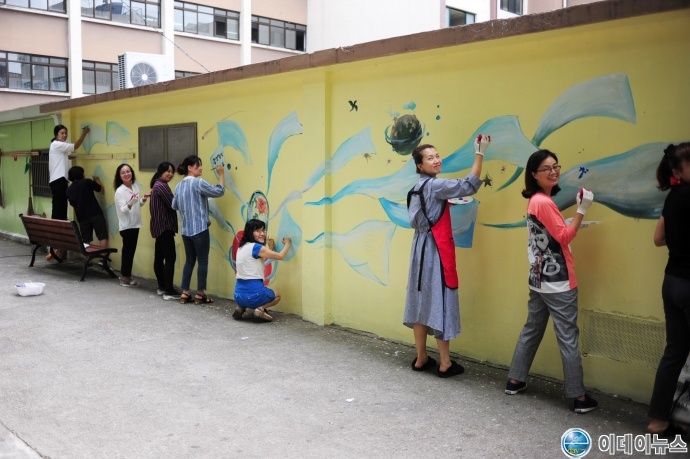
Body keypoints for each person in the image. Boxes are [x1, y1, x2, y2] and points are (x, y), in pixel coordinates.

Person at [504, 149, 598, 414]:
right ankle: (578, 397)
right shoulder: (544, 202)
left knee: (532, 328)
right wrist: (582, 210)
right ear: (534, 174)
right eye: (546, 168)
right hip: (558, 281)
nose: (553, 171)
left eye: (556, 166)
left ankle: (515, 380)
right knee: (567, 336)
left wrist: (567, 222)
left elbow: (548, 235)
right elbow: (564, 237)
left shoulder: (535, 201)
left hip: (539, 278)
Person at [404, 135, 490, 378]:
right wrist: (480, 153)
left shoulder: (415, 189)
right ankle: (445, 363)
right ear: (420, 165)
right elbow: (470, 185)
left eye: (437, 156)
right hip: (435, 249)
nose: (436, 160)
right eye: (430, 158)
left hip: (418, 249)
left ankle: (421, 357)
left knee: (419, 301)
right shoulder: (436, 186)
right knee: (441, 299)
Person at [647, 143, 690, 437]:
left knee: (674, 353)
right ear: (677, 171)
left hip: (672, 282)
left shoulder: (673, 197)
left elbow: (658, 238)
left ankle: (658, 421)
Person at [172, 155, 225, 305]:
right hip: (200, 228)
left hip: (186, 230)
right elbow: (219, 192)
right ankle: (200, 294)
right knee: (202, 261)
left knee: (189, 261)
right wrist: (221, 175)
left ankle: (185, 292)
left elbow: (174, 205)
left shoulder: (178, 186)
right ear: (190, 168)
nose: (201, 168)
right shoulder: (198, 182)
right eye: (198, 165)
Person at [233, 219, 292, 322]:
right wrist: (287, 243)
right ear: (250, 233)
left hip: (238, 295)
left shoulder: (242, 247)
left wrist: (270, 249)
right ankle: (260, 309)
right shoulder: (256, 247)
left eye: (263, 230)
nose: (262, 234)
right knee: (277, 295)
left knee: (248, 295)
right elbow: (281, 256)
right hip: (254, 296)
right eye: (258, 231)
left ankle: (241, 307)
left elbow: (257, 261)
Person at [47, 124, 90, 260]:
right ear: (56, 134)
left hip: (58, 182)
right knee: (59, 214)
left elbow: (67, 156)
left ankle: (57, 249)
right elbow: (75, 146)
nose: (64, 135)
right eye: (62, 133)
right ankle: (55, 247)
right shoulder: (57, 144)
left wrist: (73, 156)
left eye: (65, 133)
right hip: (59, 182)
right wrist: (85, 133)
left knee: (60, 212)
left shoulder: (58, 147)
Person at [149, 162, 181, 301]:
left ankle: (162, 286)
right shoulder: (161, 186)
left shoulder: (157, 185)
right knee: (170, 258)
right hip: (164, 227)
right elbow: (173, 204)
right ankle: (168, 290)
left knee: (159, 258)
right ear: (160, 171)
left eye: (172, 172)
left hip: (159, 227)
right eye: (168, 171)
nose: (170, 174)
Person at [114, 163, 147, 287]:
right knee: (128, 252)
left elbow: (137, 204)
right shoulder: (120, 191)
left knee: (130, 251)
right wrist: (131, 203)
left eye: (128, 171)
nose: (126, 174)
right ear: (119, 176)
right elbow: (123, 210)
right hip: (127, 226)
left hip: (135, 224)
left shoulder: (135, 187)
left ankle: (126, 276)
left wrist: (142, 200)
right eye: (123, 173)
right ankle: (125, 278)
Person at [66, 166, 107, 247]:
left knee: (86, 241)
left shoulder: (69, 190)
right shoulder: (87, 182)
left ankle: (88, 255)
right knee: (102, 237)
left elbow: (72, 203)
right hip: (95, 213)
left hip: (82, 218)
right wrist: (97, 180)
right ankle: (103, 255)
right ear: (81, 174)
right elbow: (100, 189)